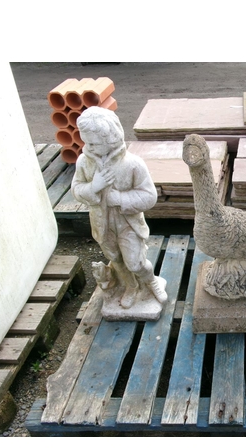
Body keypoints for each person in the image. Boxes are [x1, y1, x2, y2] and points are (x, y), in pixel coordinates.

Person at [71, 106, 167, 309]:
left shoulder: (132, 163)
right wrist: (93, 188)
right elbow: (77, 189)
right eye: (86, 141)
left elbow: (149, 196)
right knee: (115, 259)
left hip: (127, 224)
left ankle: (151, 281)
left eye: (94, 143)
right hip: (101, 224)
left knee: (136, 263)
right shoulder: (83, 163)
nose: (88, 146)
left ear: (111, 139)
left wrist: (120, 198)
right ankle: (131, 287)